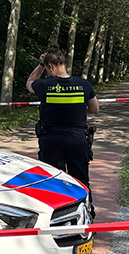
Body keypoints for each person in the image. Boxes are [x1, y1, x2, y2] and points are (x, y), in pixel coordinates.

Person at [26, 44, 100, 217]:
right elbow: (95, 109)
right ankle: (87, 214)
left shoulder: (45, 85)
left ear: (50, 67)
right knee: (81, 180)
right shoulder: (83, 84)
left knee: (52, 182)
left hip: (51, 140)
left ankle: (55, 218)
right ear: (65, 64)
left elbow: (29, 82)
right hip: (77, 140)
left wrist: (40, 65)